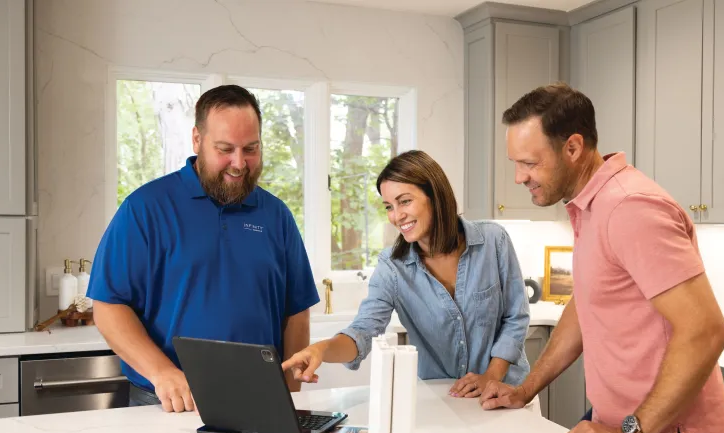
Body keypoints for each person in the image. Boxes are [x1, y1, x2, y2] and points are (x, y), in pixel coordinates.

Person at [479, 83, 724, 433]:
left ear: (573, 148)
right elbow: (585, 305)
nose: (519, 177)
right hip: (621, 422)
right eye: (516, 163)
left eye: (529, 163)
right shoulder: (592, 207)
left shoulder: (630, 208)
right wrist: (524, 390)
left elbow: (707, 332)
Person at [87, 85, 318, 412]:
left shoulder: (276, 215)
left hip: (261, 400)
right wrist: (162, 372)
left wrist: (291, 394)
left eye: (251, 149)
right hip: (167, 401)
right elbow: (108, 307)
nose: (239, 163)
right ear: (197, 140)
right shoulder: (145, 208)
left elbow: (296, 311)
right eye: (225, 148)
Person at [282, 150, 531, 398]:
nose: (397, 216)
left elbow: (515, 316)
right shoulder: (392, 267)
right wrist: (321, 350)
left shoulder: (492, 241)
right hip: (443, 400)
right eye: (389, 206)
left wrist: (491, 376)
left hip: (506, 394)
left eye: (404, 201)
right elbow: (363, 331)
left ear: (434, 195)